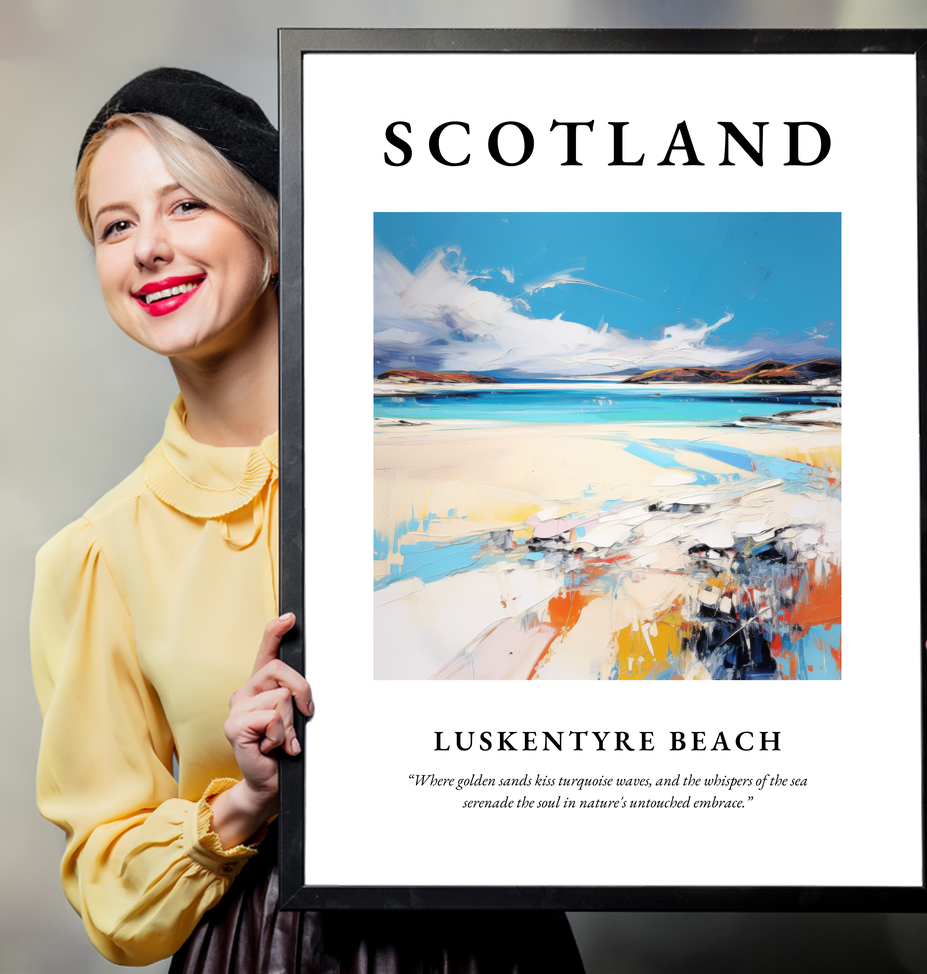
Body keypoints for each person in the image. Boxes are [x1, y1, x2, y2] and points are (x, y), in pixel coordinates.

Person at [30, 68, 586, 972]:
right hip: (261, 950)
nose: (148, 249)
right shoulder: (97, 555)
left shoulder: (456, 463)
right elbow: (110, 890)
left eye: (185, 207)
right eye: (116, 225)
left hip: (492, 941)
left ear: (273, 231)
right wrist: (245, 800)